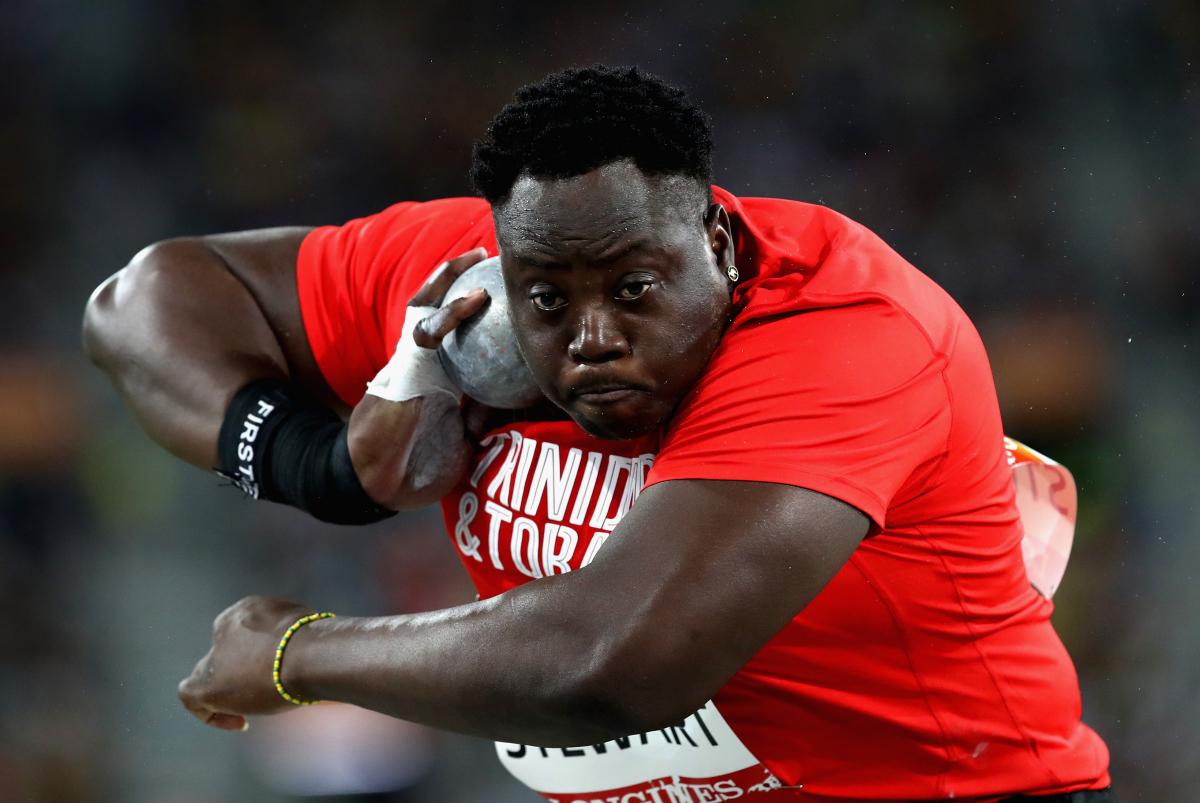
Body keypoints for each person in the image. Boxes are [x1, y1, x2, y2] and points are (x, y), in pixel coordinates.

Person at [83, 66, 1112, 802]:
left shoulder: (841, 334)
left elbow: (610, 664)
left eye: (633, 289)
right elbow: (144, 298)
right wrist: (327, 465)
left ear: (716, 241)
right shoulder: (463, 289)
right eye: (548, 299)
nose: (592, 338)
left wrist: (296, 654)